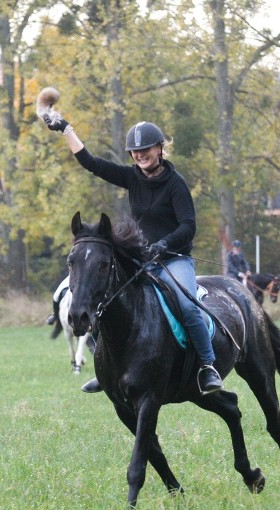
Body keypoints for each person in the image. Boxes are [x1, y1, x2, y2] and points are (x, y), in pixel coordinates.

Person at [42, 112, 223, 396]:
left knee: (187, 306)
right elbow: (90, 163)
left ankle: (207, 366)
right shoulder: (132, 177)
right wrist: (66, 129)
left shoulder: (176, 184)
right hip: (141, 261)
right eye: (135, 152)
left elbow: (189, 225)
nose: (140, 155)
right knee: (106, 300)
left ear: (160, 149)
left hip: (173, 260)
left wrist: (164, 244)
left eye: (146, 150)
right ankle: (106, 372)